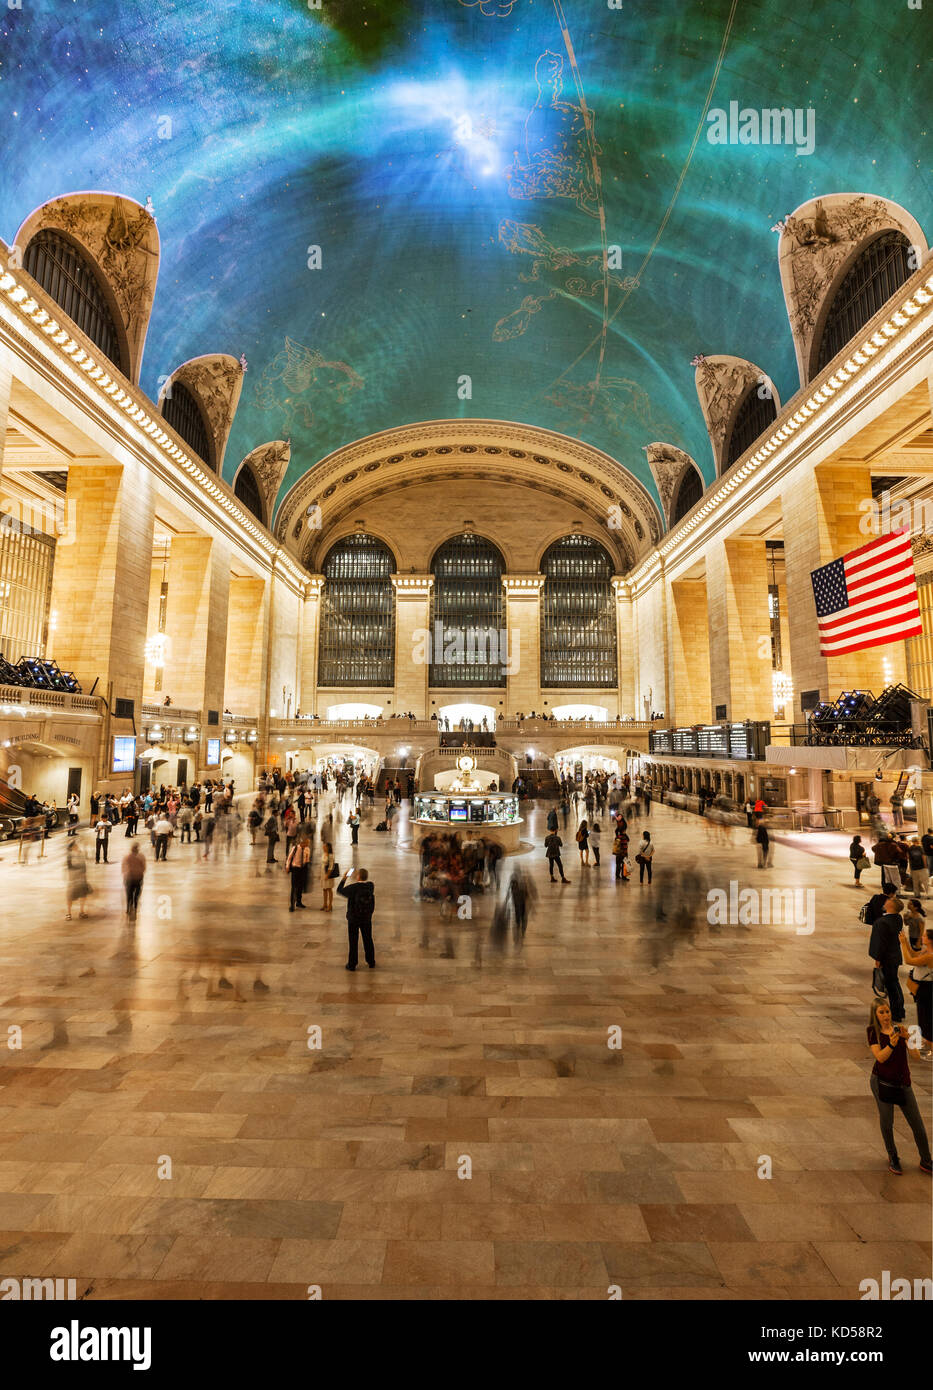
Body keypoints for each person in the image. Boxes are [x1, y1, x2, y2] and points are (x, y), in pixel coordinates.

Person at [866, 998, 932, 1175]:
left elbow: (916, 1056)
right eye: (882, 1012)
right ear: (875, 1015)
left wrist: (908, 1038)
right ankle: (893, 1156)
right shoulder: (873, 1031)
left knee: (917, 1123)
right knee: (887, 1121)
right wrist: (892, 1043)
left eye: (887, 1011)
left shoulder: (899, 1030)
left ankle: (926, 1160)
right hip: (882, 1082)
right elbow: (880, 1057)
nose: (886, 1015)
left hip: (903, 1083)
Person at [869, 894, 906, 1025]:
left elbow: (880, 943)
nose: (885, 902)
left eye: (888, 901)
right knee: (894, 982)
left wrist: (878, 959)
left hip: (887, 958)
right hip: (895, 956)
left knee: (891, 985)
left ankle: (896, 1012)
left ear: (890, 906)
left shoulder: (882, 922)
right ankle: (900, 1009)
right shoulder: (897, 918)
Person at [900, 925, 933, 1057]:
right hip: (922, 988)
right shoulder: (926, 951)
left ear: (930, 940)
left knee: (928, 1017)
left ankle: (931, 1047)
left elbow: (909, 960)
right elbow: (913, 953)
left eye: (925, 936)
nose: (922, 937)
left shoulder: (930, 956)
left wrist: (902, 944)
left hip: (927, 988)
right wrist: (906, 942)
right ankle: (927, 1042)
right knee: (923, 1015)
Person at [337, 867, 376, 970]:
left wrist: (344, 878)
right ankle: (371, 961)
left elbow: (339, 890)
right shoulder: (370, 886)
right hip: (366, 918)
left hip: (354, 918)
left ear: (358, 876)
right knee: (368, 939)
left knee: (353, 941)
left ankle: (352, 964)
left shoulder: (353, 888)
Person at [64, 839, 91, 920]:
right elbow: (70, 867)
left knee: (83, 895)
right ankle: (68, 913)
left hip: (81, 879)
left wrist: (84, 874)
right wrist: (80, 870)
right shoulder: (70, 856)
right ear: (72, 848)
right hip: (73, 879)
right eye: (75, 845)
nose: (77, 846)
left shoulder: (80, 853)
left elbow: (84, 865)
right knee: (70, 897)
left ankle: (81, 912)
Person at [285, 833, 311, 911]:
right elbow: (289, 858)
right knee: (294, 887)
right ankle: (292, 905)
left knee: (300, 887)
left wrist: (307, 862)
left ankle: (299, 902)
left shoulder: (307, 849)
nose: (308, 844)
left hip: (302, 869)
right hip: (295, 869)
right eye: (306, 843)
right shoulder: (295, 848)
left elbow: (307, 859)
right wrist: (287, 867)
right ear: (302, 843)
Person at [122, 842, 146, 920]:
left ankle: (128, 907)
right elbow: (144, 867)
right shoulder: (141, 857)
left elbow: (123, 868)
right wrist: (140, 873)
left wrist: (125, 876)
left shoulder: (127, 857)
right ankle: (135, 907)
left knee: (129, 894)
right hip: (138, 878)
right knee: (136, 894)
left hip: (129, 878)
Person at [320, 839, 336, 912]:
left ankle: (330, 905)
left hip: (328, 874)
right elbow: (322, 864)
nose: (323, 847)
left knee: (329, 889)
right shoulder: (324, 854)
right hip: (323, 873)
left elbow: (331, 866)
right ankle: (324, 904)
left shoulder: (331, 855)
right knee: (324, 889)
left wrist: (327, 875)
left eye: (324, 846)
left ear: (328, 847)